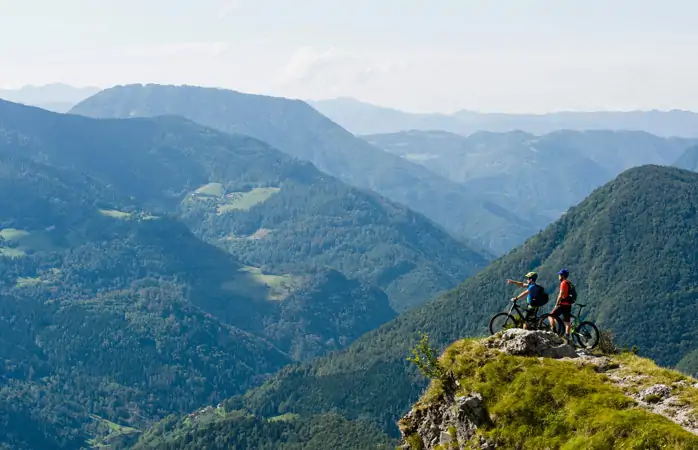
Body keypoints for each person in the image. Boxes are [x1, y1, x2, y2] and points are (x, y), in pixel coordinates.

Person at [549, 269, 574, 339]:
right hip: (568, 305)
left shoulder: (563, 283)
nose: (558, 276)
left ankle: (554, 332)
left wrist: (557, 303)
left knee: (550, 316)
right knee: (567, 322)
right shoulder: (569, 282)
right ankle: (567, 337)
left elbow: (560, 294)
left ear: (562, 276)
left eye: (559, 275)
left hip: (562, 304)